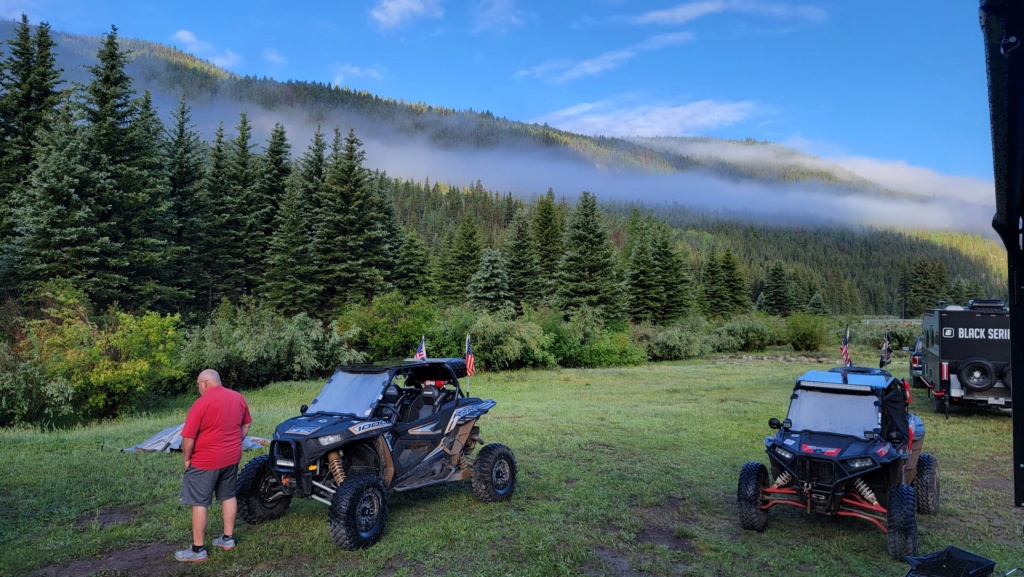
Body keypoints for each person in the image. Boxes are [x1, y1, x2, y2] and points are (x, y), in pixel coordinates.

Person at [175, 369, 252, 563]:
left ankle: (198, 549)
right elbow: (246, 424)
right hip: (231, 457)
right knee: (228, 495)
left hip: (205, 461)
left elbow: (188, 438)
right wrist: (236, 441)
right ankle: (228, 539)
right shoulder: (237, 397)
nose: (199, 389)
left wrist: (186, 459)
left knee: (199, 502)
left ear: (205, 383)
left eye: (198, 385)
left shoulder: (202, 403)